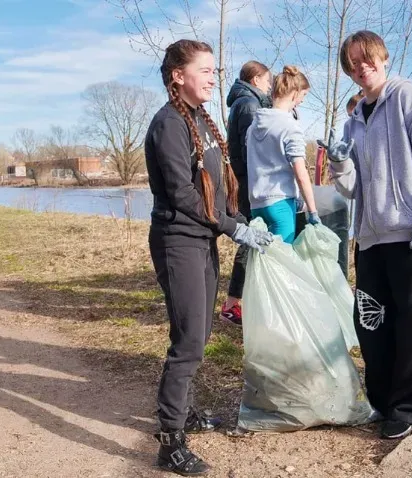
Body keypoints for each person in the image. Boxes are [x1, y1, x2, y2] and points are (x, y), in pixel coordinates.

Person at [145, 39, 273, 476]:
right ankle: (170, 442)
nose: (214, 77)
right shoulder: (168, 125)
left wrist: (242, 219)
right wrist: (232, 226)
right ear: (178, 76)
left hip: (202, 240)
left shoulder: (200, 120)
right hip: (177, 240)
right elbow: (183, 194)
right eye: (205, 70)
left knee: (197, 333)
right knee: (189, 343)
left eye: (215, 71)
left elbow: (216, 188)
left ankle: (185, 411)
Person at [318, 30, 412, 440]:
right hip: (372, 236)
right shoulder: (354, 118)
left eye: (367, 58)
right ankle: (383, 401)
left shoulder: (411, 100)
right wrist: (341, 164)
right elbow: (351, 188)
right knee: (373, 322)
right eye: (353, 64)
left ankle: (411, 408)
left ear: (383, 57)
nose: (361, 68)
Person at [220, 61, 273, 327]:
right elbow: (255, 149)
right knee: (250, 236)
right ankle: (232, 304)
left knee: (252, 235)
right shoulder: (250, 105)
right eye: (267, 81)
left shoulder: (243, 102)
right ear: (255, 79)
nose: (270, 86)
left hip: (245, 179)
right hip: (251, 181)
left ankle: (238, 301)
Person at [246, 66, 319, 244]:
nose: (301, 101)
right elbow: (301, 175)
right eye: (303, 96)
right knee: (282, 264)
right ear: (295, 93)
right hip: (280, 206)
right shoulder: (290, 127)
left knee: (264, 264)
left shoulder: (253, 125)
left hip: (257, 205)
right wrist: (313, 210)